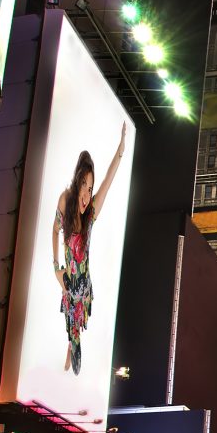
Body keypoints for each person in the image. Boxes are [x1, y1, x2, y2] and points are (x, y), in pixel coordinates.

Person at [53, 123, 126, 374]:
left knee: (76, 325)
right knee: (71, 324)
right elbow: (54, 230)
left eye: (90, 188)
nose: (87, 194)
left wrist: (120, 151)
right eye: (84, 185)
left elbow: (107, 181)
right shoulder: (65, 200)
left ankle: (71, 354)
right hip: (69, 281)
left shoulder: (91, 215)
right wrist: (56, 269)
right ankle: (70, 353)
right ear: (77, 183)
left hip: (83, 285)